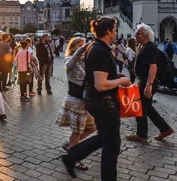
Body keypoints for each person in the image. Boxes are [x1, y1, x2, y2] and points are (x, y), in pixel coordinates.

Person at [62, 17, 131, 181]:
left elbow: (96, 75)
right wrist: (121, 81)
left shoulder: (95, 46)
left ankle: (72, 156)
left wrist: (114, 75)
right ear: (107, 31)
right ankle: (72, 157)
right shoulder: (100, 50)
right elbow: (100, 84)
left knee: (106, 139)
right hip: (104, 103)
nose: (116, 33)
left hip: (97, 101)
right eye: (114, 30)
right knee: (111, 145)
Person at [126, 23, 174, 142]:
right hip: (144, 81)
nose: (135, 35)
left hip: (147, 81)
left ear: (146, 35)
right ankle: (165, 129)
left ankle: (142, 134)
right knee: (147, 107)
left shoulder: (149, 47)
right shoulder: (143, 46)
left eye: (138, 33)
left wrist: (149, 85)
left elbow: (153, 67)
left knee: (141, 107)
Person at [56, 37, 96, 171]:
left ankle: (70, 145)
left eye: (83, 45)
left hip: (85, 101)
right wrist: (82, 49)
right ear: (73, 47)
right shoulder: (69, 59)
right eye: (79, 45)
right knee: (77, 131)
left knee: (93, 127)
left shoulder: (85, 61)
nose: (83, 48)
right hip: (75, 101)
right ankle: (74, 158)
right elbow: (69, 64)